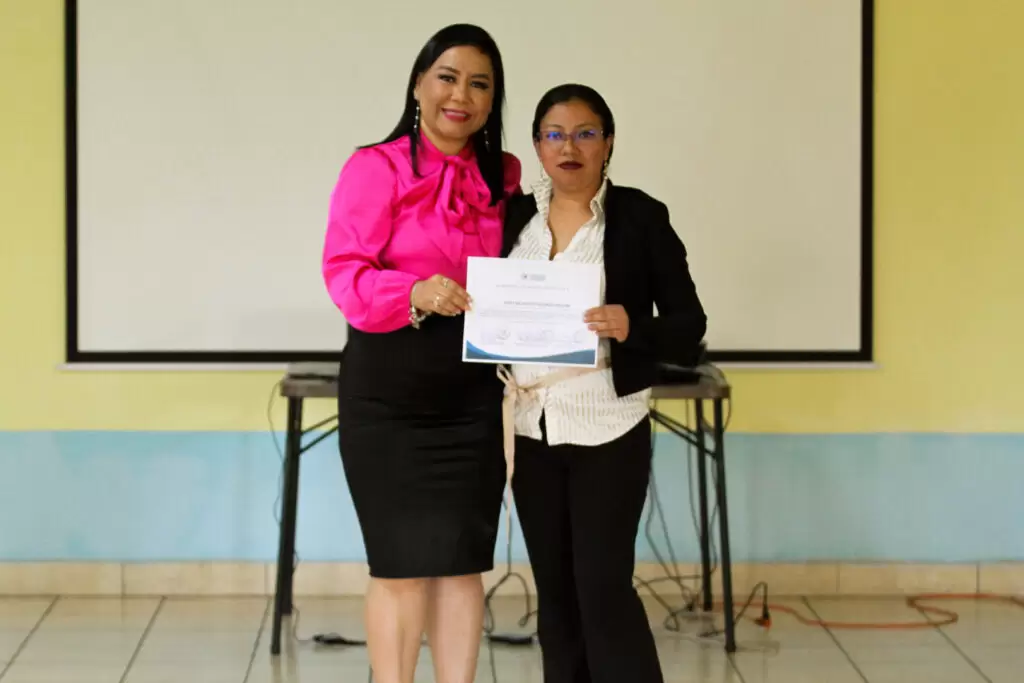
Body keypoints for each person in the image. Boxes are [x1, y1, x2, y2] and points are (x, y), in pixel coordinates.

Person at [320, 24, 521, 683]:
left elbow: (527, 269)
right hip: (389, 395)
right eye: (447, 76)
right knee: (402, 567)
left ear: (492, 102)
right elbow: (345, 274)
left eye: (479, 84)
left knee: (463, 564)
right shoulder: (373, 167)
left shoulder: (507, 178)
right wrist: (416, 291)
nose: (460, 94)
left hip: (472, 398)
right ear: (417, 83)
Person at [499, 84, 707, 683]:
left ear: (608, 142)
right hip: (529, 430)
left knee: (602, 589)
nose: (570, 147)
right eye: (554, 134)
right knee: (556, 596)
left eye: (586, 133)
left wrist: (631, 324)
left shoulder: (640, 215)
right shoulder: (512, 216)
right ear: (537, 146)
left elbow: (689, 325)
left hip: (608, 427)